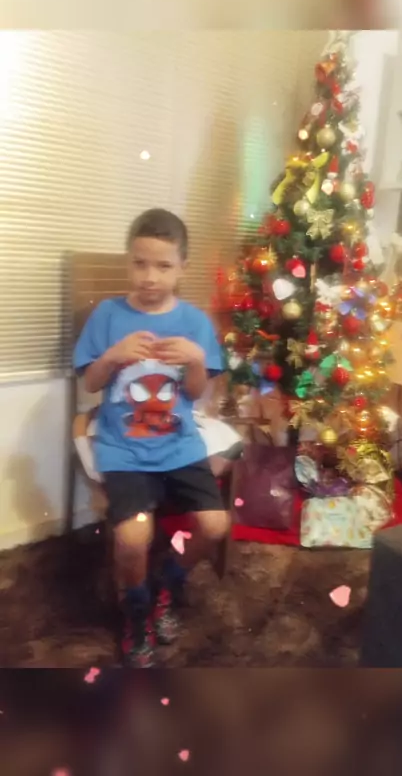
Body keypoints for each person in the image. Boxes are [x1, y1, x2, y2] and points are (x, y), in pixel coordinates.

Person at [74, 208, 230, 667]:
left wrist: (196, 360)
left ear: (182, 268)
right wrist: (113, 356)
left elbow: (196, 394)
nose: (149, 277)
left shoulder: (195, 322)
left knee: (215, 525)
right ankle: (137, 613)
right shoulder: (108, 315)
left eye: (163, 266)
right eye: (140, 263)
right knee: (132, 536)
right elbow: (90, 383)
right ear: (128, 261)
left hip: (179, 445)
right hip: (123, 449)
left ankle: (167, 583)